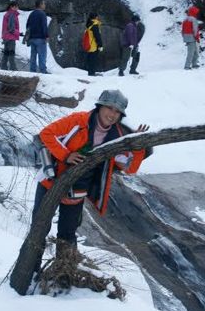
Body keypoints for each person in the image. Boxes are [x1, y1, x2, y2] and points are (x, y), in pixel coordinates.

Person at [31, 89, 150, 259]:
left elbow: (130, 169)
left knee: (68, 235)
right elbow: (46, 134)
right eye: (110, 108)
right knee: (38, 229)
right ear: (100, 106)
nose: (113, 114)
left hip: (77, 191)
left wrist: (138, 147)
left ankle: (64, 275)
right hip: (51, 182)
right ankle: (31, 272)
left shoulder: (117, 137)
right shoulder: (79, 120)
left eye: (118, 111)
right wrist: (66, 154)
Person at [26, 0, 49, 73]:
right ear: (40, 4)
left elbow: (27, 26)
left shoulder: (32, 14)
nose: (45, 5)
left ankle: (32, 71)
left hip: (32, 38)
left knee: (33, 56)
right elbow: (44, 26)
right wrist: (46, 36)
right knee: (42, 56)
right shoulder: (42, 14)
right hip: (40, 38)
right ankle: (43, 71)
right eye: (44, 4)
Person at [82, 12, 104, 76]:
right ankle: (92, 73)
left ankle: (90, 72)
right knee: (93, 59)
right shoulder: (95, 25)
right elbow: (97, 36)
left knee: (90, 58)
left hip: (89, 44)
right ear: (96, 17)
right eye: (97, 16)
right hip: (94, 45)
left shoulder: (89, 24)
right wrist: (100, 45)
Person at [1, 0, 20, 71]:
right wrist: (18, 33)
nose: (18, 8)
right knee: (11, 52)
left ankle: (3, 68)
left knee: (6, 52)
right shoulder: (12, 14)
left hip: (6, 36)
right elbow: (11, 28)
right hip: (10, 37)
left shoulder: (8, 14)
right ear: (12, 7)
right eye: (17, 6)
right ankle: (13, 68)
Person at [181, 5, 201, 70]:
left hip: (187, 38)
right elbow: (195, 30)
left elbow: (182, 31)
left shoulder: (185, 20)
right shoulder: (193, 20)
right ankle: (187, 66)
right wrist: (197, 38)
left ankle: (194, 64)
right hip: (192, 38)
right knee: (191, 53)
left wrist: (184, 38)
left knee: (195, 52)